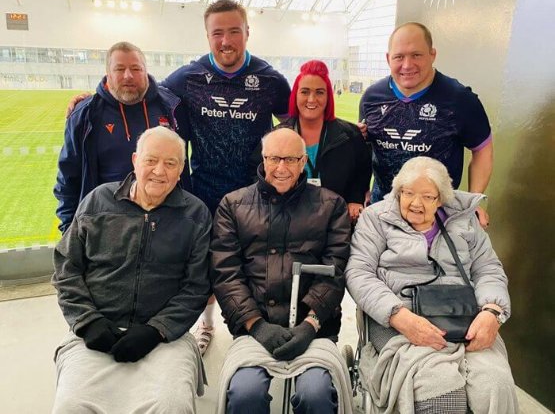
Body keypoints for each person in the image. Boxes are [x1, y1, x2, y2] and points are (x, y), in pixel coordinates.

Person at [51, 126, 211, 414]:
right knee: (71, 407)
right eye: (151, 160)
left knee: (171, 406)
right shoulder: (99, 200)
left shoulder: (196, 214)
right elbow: (67, 266)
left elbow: (197, 287)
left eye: (170, 163)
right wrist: (88, 322)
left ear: (181, 170)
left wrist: (156, 331)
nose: (159, 171)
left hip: (164, 338)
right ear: (135, 160)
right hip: (96, 331)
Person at [161, 0, 290, 354]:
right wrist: (95, 97)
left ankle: (253, 326)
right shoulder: (188, 77)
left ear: (247, 32)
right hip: (204, 190)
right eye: (218, 33)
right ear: (207, 36)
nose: (226, 40)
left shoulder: (269, 80)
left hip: (255, 193)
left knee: (253, 263)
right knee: (205, 262)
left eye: (234, 31)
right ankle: (206, 323)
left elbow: (298, 120)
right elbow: (146, 94)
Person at [345, 156, 517, 414]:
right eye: (408, 193)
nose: (416, 203)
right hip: (398, 319)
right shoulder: (376, 219)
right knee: (441, 390)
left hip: (463, 318)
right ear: (397, 191)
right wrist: (399, 316)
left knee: (494, 383)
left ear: (442, 199)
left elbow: (488, 269)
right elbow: (359, 272)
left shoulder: (464, 220)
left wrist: (492, 311)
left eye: (427, 197)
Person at [211, 128, 353, 414]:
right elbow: (226, 274)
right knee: (244, 394)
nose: (281, 168)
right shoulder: (232, 205)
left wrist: (310, 324)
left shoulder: (331, 205)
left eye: (290, 159)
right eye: (274, 158)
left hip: (313, 328)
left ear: (303, 163)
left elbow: (334, 272)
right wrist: (256, 325)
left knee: (317, 394)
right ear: (263, 159)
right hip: (255, 328)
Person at [359, 22, 493, 227]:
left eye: (416, 55)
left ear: (432, 54)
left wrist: (473, 200)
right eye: (399, 57)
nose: (407, 65)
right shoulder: (372, 98)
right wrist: (361, 189)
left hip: (437, 217)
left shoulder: (459, 99)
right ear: (388, 59)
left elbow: (482, 149)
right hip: (383, 213)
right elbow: (365, 148)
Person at [54, 41, 186, 233]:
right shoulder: (85, 115)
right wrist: (69, 230)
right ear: (108, 74)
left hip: (164, 225)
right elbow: (68, 178)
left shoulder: (171, 107)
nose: (128, 76)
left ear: (146, 71)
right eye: (119, 69)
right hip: (105, 226)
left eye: (135, 68)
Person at [251, 60, 372, 223]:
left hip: (334, 222)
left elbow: (363, 170)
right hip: (286, 220)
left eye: (320, 92)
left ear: (328, 96)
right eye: (305, 92)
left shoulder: (350, 135)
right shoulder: (276, 136)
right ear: (295, 95)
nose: (311, 99)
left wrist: (355, 199)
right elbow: (257, 173)